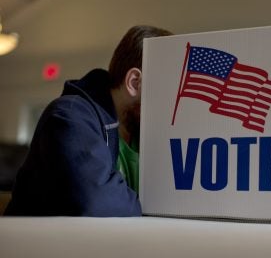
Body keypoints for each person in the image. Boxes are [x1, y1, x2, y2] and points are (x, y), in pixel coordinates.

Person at [5, 25, 172, 216]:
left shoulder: (143, 132)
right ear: (134, 83)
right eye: (167, 88)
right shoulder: (68, 117)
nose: (172, 101)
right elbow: (98, 201)